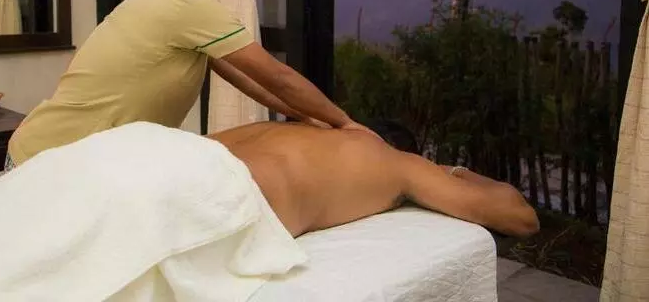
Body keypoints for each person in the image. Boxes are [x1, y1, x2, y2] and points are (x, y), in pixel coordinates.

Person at [7, 0, 370, 166]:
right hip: (50, 158)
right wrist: (347, 123)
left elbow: (248, 78)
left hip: (56, 151)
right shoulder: (187, 1)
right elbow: (278, 76)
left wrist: (308, 116)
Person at [209, 121, 540, 239]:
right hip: (237, 195)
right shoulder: (393, 159)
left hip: (188, 154)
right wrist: (451, 172)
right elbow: (523, 219)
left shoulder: (289, 129)